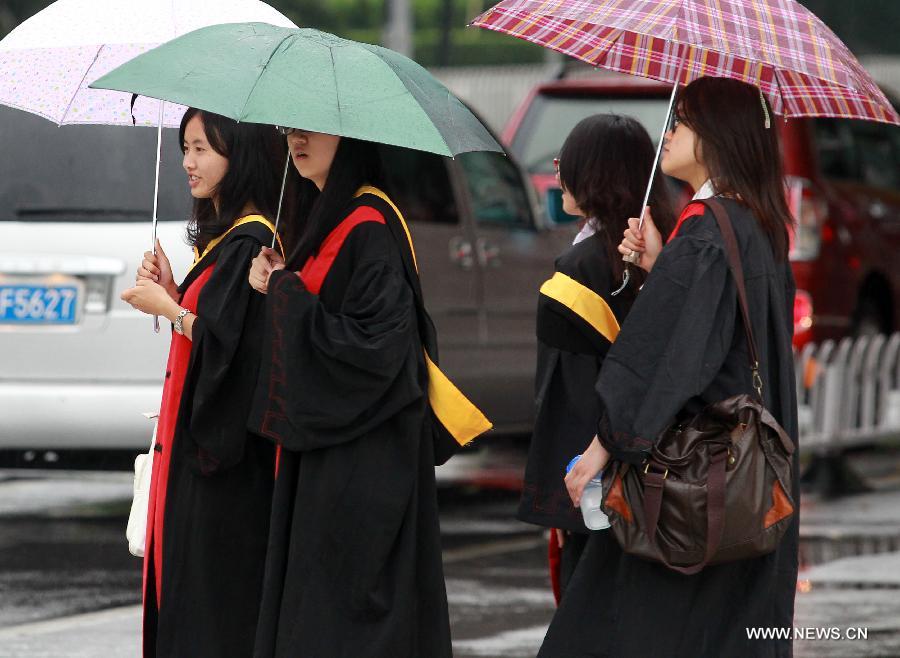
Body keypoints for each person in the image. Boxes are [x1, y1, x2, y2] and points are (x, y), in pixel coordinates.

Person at [540, 77, 799, 657]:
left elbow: (667, 357)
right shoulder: (756, 221)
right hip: (745, 474)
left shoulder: (708, 229)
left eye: (679, 122)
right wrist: (663, 265)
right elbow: (714, 335)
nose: (670, 132)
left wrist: (602, 449)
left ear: (712, 138)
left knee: (627, 627)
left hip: (692, 477)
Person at [246, 128, 487, 657]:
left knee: (351, 619)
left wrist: (283, 289)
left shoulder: (369, 225)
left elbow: (377, 348)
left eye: (311, 127)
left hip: (365, 461)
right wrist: (284, 278)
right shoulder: (327, 218)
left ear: (351, 135)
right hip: (332, 451)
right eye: (289, 128)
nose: (296, 139)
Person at [121, 107, 284, 657]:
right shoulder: (226, 241)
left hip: (223, 465)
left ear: (238, 158)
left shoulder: (252, 242)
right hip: (191, 449)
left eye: (201, 149)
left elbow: (236, 353)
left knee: (212, 610)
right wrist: (175, 288)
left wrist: (169, 306)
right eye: (186, 147)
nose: (188, 161)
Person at [517, 115, 674, 601]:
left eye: (567, 162)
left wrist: (563, 502)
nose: (559, 173)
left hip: (593, 475)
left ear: (595, 172)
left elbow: (568, 396)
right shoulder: (661, 248)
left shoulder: (583, 269)